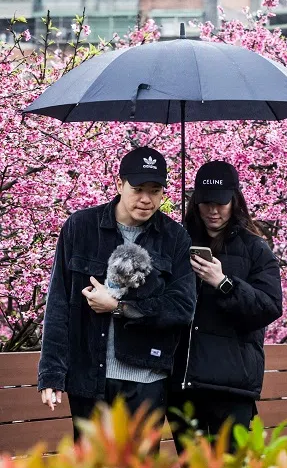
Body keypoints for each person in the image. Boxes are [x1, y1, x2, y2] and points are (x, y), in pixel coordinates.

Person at [37, 147, 196, 439]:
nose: (146, 199)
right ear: (118, 184)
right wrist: (51, 374)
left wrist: (119, 306)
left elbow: (182, 307)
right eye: (137, 189)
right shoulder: (81, 227)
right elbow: (59, 302)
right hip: (89, 377)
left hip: (147, 378)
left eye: (155, 190)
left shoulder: (174, 237)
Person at [168, 161, 283, 451]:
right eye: (205, 203)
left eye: (220, 203)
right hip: (183, 383)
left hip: (231, 385)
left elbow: (269, 307)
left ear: (235, 200)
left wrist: (223, 283)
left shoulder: (255, 248)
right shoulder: (178, 242)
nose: (213, 211)